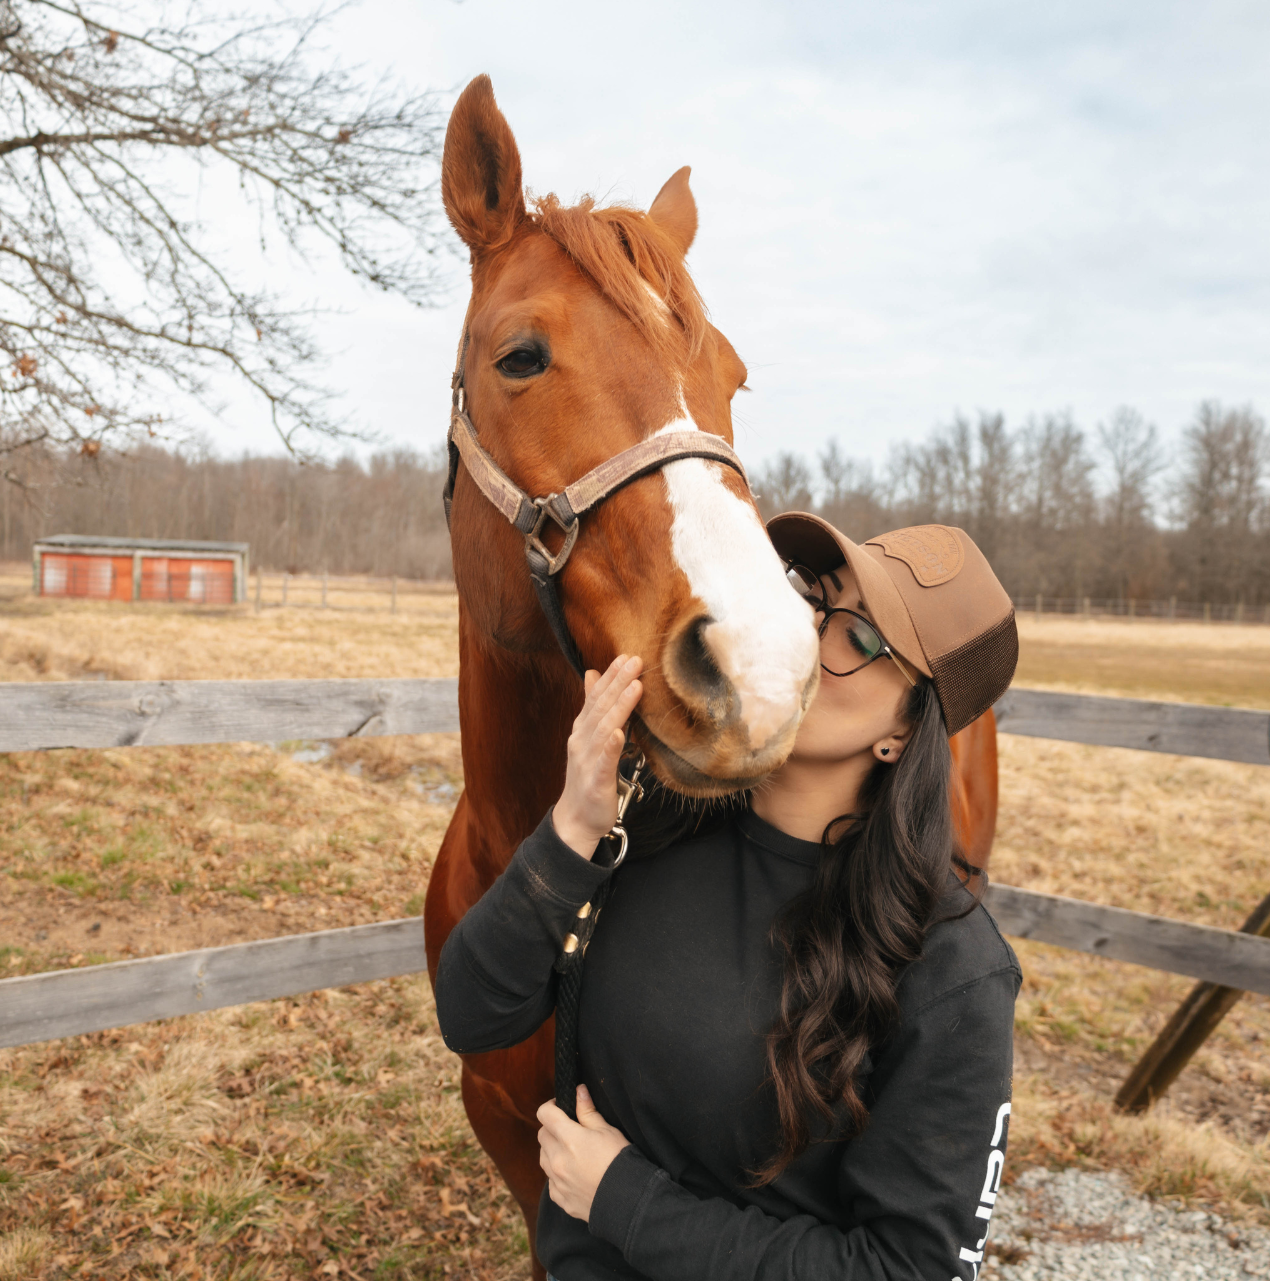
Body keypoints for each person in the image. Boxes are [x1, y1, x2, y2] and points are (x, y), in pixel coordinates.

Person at [434, 515, 1022, 1281]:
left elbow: (908, 1269)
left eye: (861, 638)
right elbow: (473, 1015)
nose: (807, 629)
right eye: (814, 596)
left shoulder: (950, 967)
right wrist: (570, 831)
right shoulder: (650, 829)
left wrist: (627, 1201)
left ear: (905, 733)